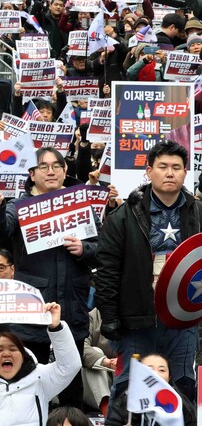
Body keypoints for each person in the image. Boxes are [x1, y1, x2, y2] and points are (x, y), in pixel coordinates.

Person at [0, 147, 98, 410]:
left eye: (56, 166)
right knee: (30, 383)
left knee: (71, 384)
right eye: (43, 167)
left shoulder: (79, 204)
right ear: (32, 174)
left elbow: (101, 249)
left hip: (71, 306)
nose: (51, 171)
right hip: (32, 310)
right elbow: (0, 230)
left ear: (65, 170)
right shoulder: (19, 206)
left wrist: (85, 249)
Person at [95, 140, 202, 413]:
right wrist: (110, 317)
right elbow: (107, 270)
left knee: (182, 388)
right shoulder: (123, 216)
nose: (170, 173)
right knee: (129, 391)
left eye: (176, 167)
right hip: (137, 319)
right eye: (163, 166)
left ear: (185, 172)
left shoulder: (199, 212)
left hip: (183, 320)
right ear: (149, 171)